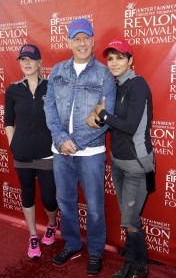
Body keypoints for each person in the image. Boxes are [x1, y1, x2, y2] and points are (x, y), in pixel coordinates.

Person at [44, 18, 116, 276]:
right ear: (69, 42)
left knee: (95, 205)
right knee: (65, 201)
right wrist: (61, 139)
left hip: (91, 152)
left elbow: (106, 115)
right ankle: (73, 244)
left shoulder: (104, 73)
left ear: (93, 40)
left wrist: (75, 142)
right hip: (60, 150)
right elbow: (49, 107)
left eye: (86, 38)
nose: (82, 43)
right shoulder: (58, 71)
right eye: (76, 38)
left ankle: (95, 250)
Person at [88, 38, 154, 278]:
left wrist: (103, 114)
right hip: (118, 163)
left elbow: (129, 126)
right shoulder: (115, 86)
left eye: (120, 57)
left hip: (137, 165)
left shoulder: (138, 85)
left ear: (130, 61)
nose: (114, 63)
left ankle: (139, 266)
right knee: (129, 219)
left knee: (130, 220)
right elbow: (107, 121)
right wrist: (96, 118)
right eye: (111, 58)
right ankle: (131, 263)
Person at [4, 44, 58, 259]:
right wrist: (13, 143)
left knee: (49, 199)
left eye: (31, 59)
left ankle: (52, 224)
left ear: (39, 63)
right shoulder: (13, 89)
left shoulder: (51, 87)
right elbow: (8, 120)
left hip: (47, 154)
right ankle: (33, 235)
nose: (26, 63)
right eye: (22, 59)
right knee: (27, 194)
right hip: (22, 154)